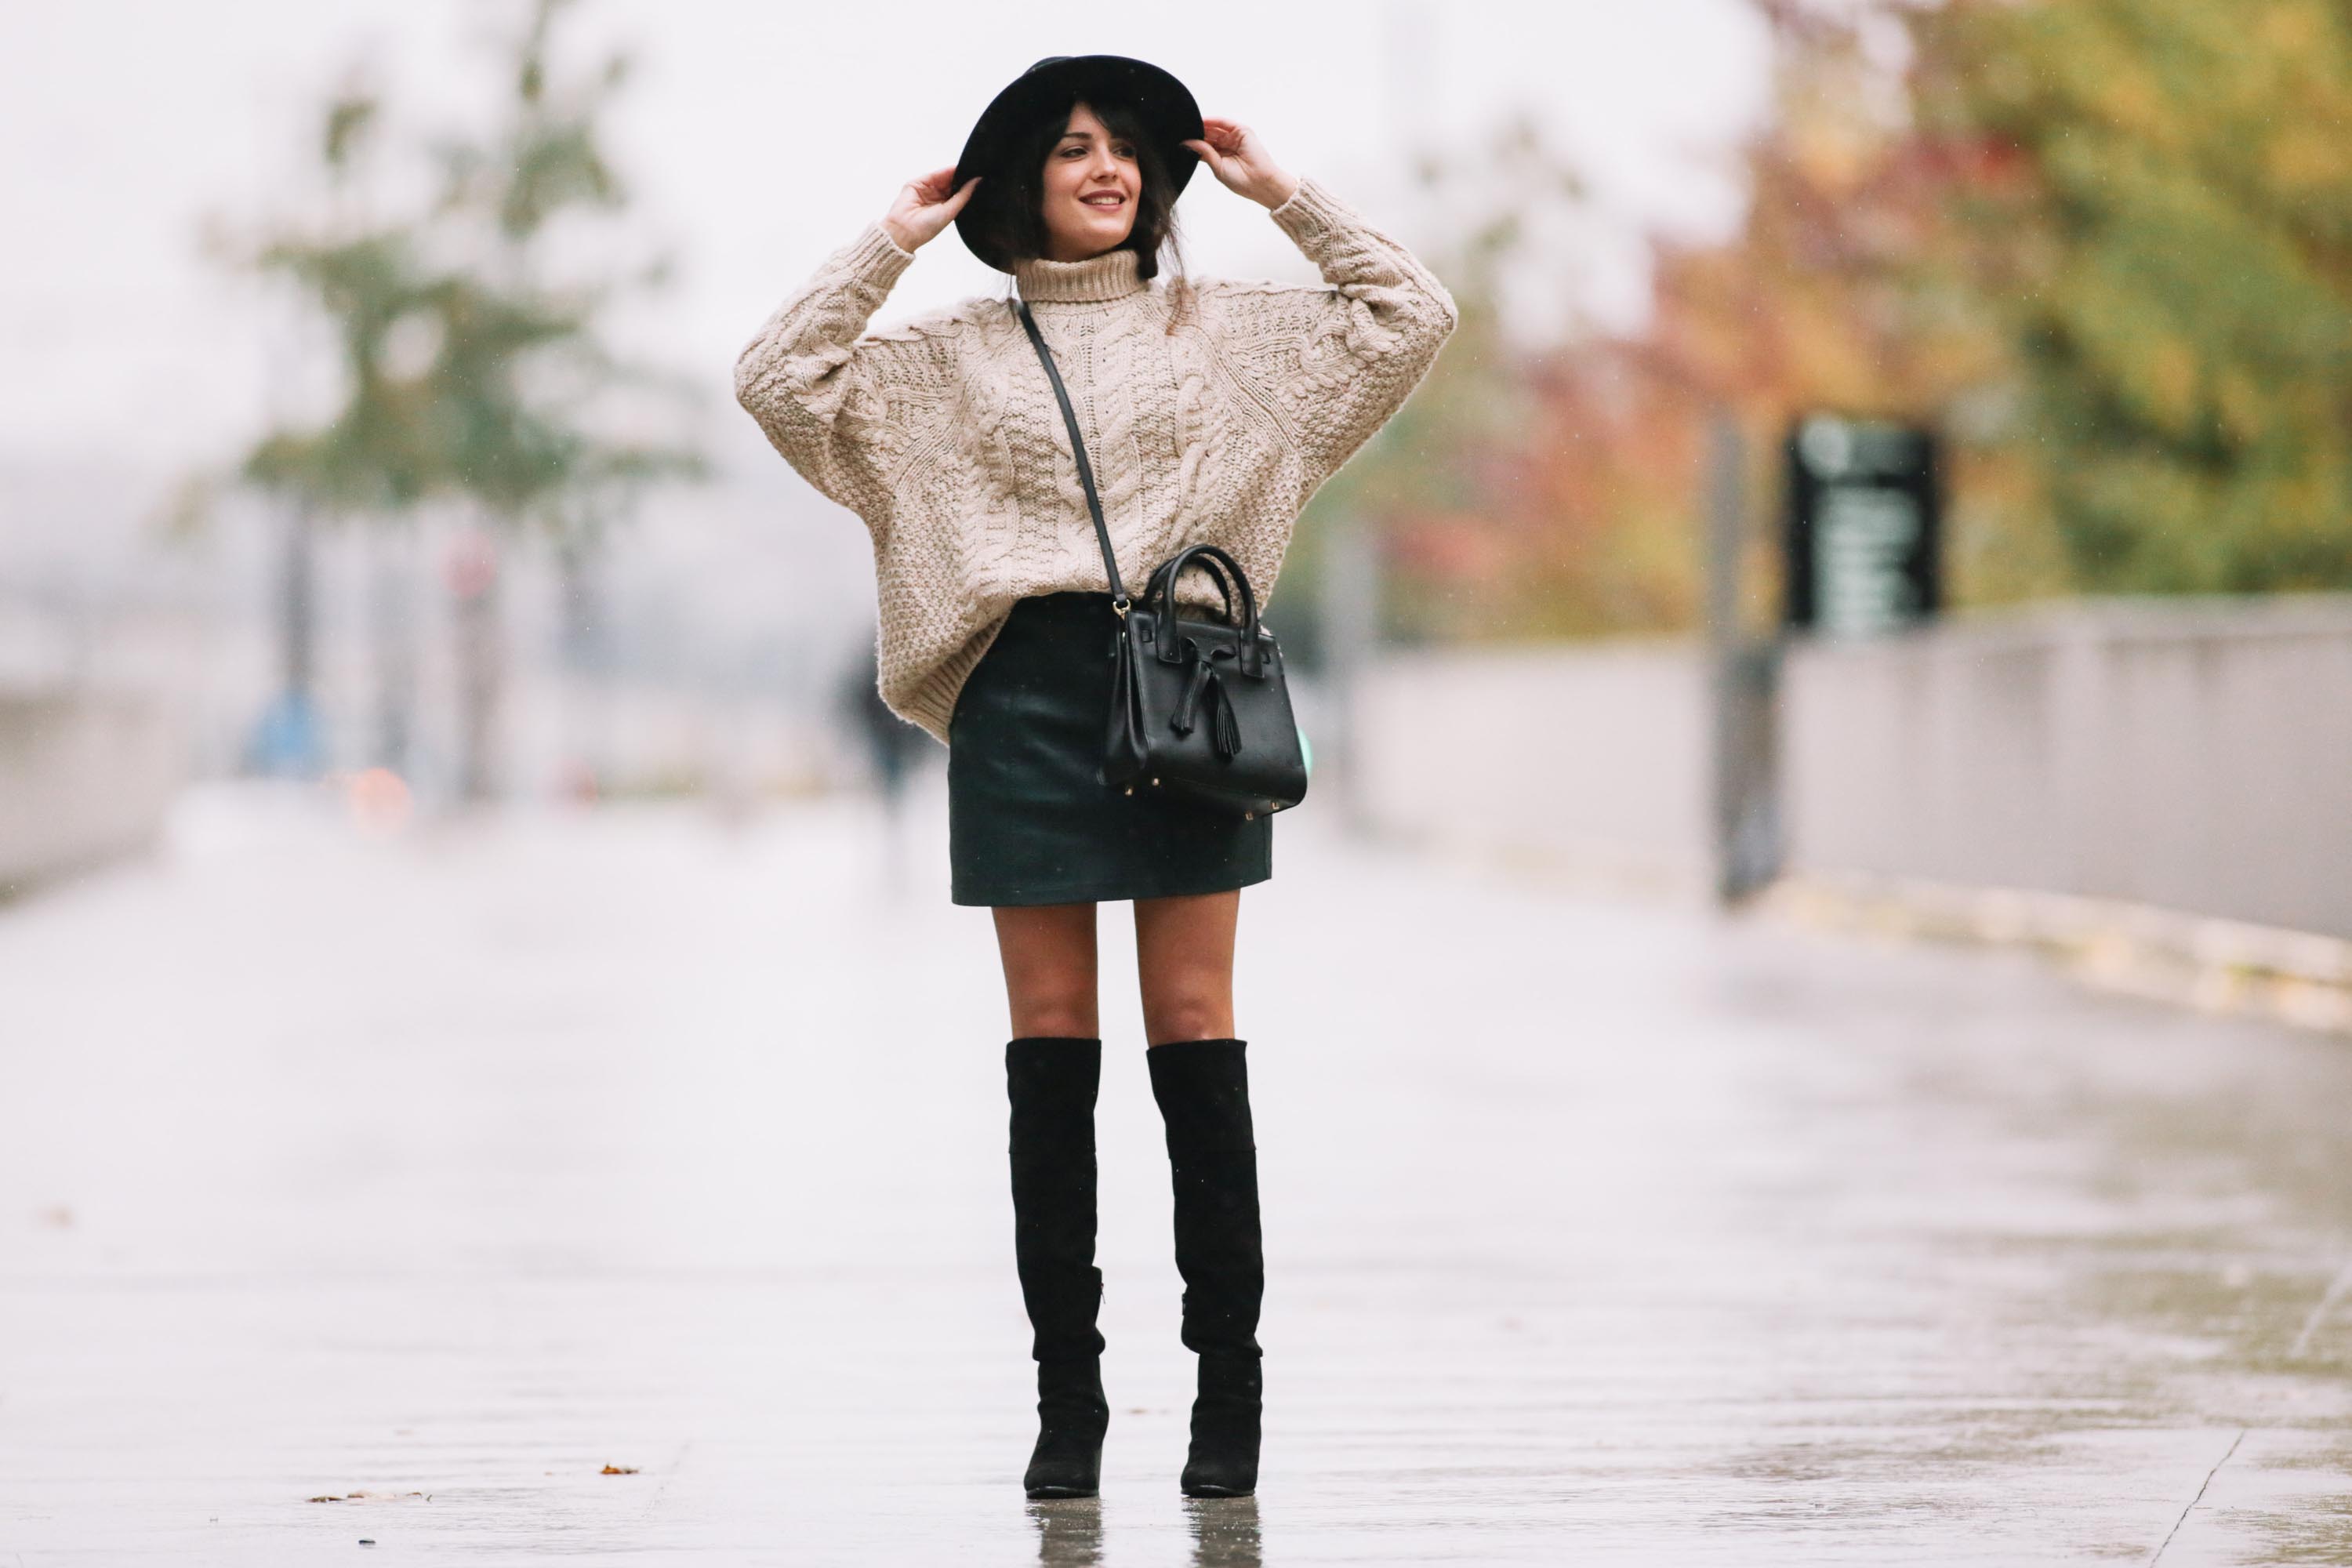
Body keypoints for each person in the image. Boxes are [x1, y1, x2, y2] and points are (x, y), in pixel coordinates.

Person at [734, 54, 1455, 1501]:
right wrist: (891, 241)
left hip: (1187, 701)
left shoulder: (1228, 330)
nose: (1107, 167)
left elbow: (1409, 319)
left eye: (1128, 146)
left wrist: (1288, 197)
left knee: (1195, 1030)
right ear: (1018, 179)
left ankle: (1228, 1400)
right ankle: (1071, 1403)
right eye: (1070, 148)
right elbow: (775, 380)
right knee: (1051, 1052)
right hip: (1027, 707)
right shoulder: (946, 357)